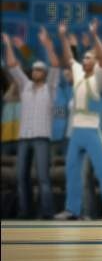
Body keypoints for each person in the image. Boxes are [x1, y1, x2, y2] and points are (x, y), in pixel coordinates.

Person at [54, 21, 102, 220]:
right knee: (72, 170)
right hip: (76, 131)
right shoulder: (78, 73)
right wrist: (63, 37)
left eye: (88, 57)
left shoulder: (100, 77)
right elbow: (69, 58)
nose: (84, 60)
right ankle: (72, 210)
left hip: (93, 130)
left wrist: (94, 36)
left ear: (95, 61)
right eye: (83, 57)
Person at [4, 31, 58, 219]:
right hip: (24, 137)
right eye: (34, 69)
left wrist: (47, 45)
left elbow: (55, 65)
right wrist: (8, 44)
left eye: (39, 70)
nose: (35, 71)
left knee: (43, 177)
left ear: (45, 74)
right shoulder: (25, 86)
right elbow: (12, 65)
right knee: (21, 177)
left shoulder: (50, 89)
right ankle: (25, 212)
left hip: (41, 137)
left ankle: (47, 213)